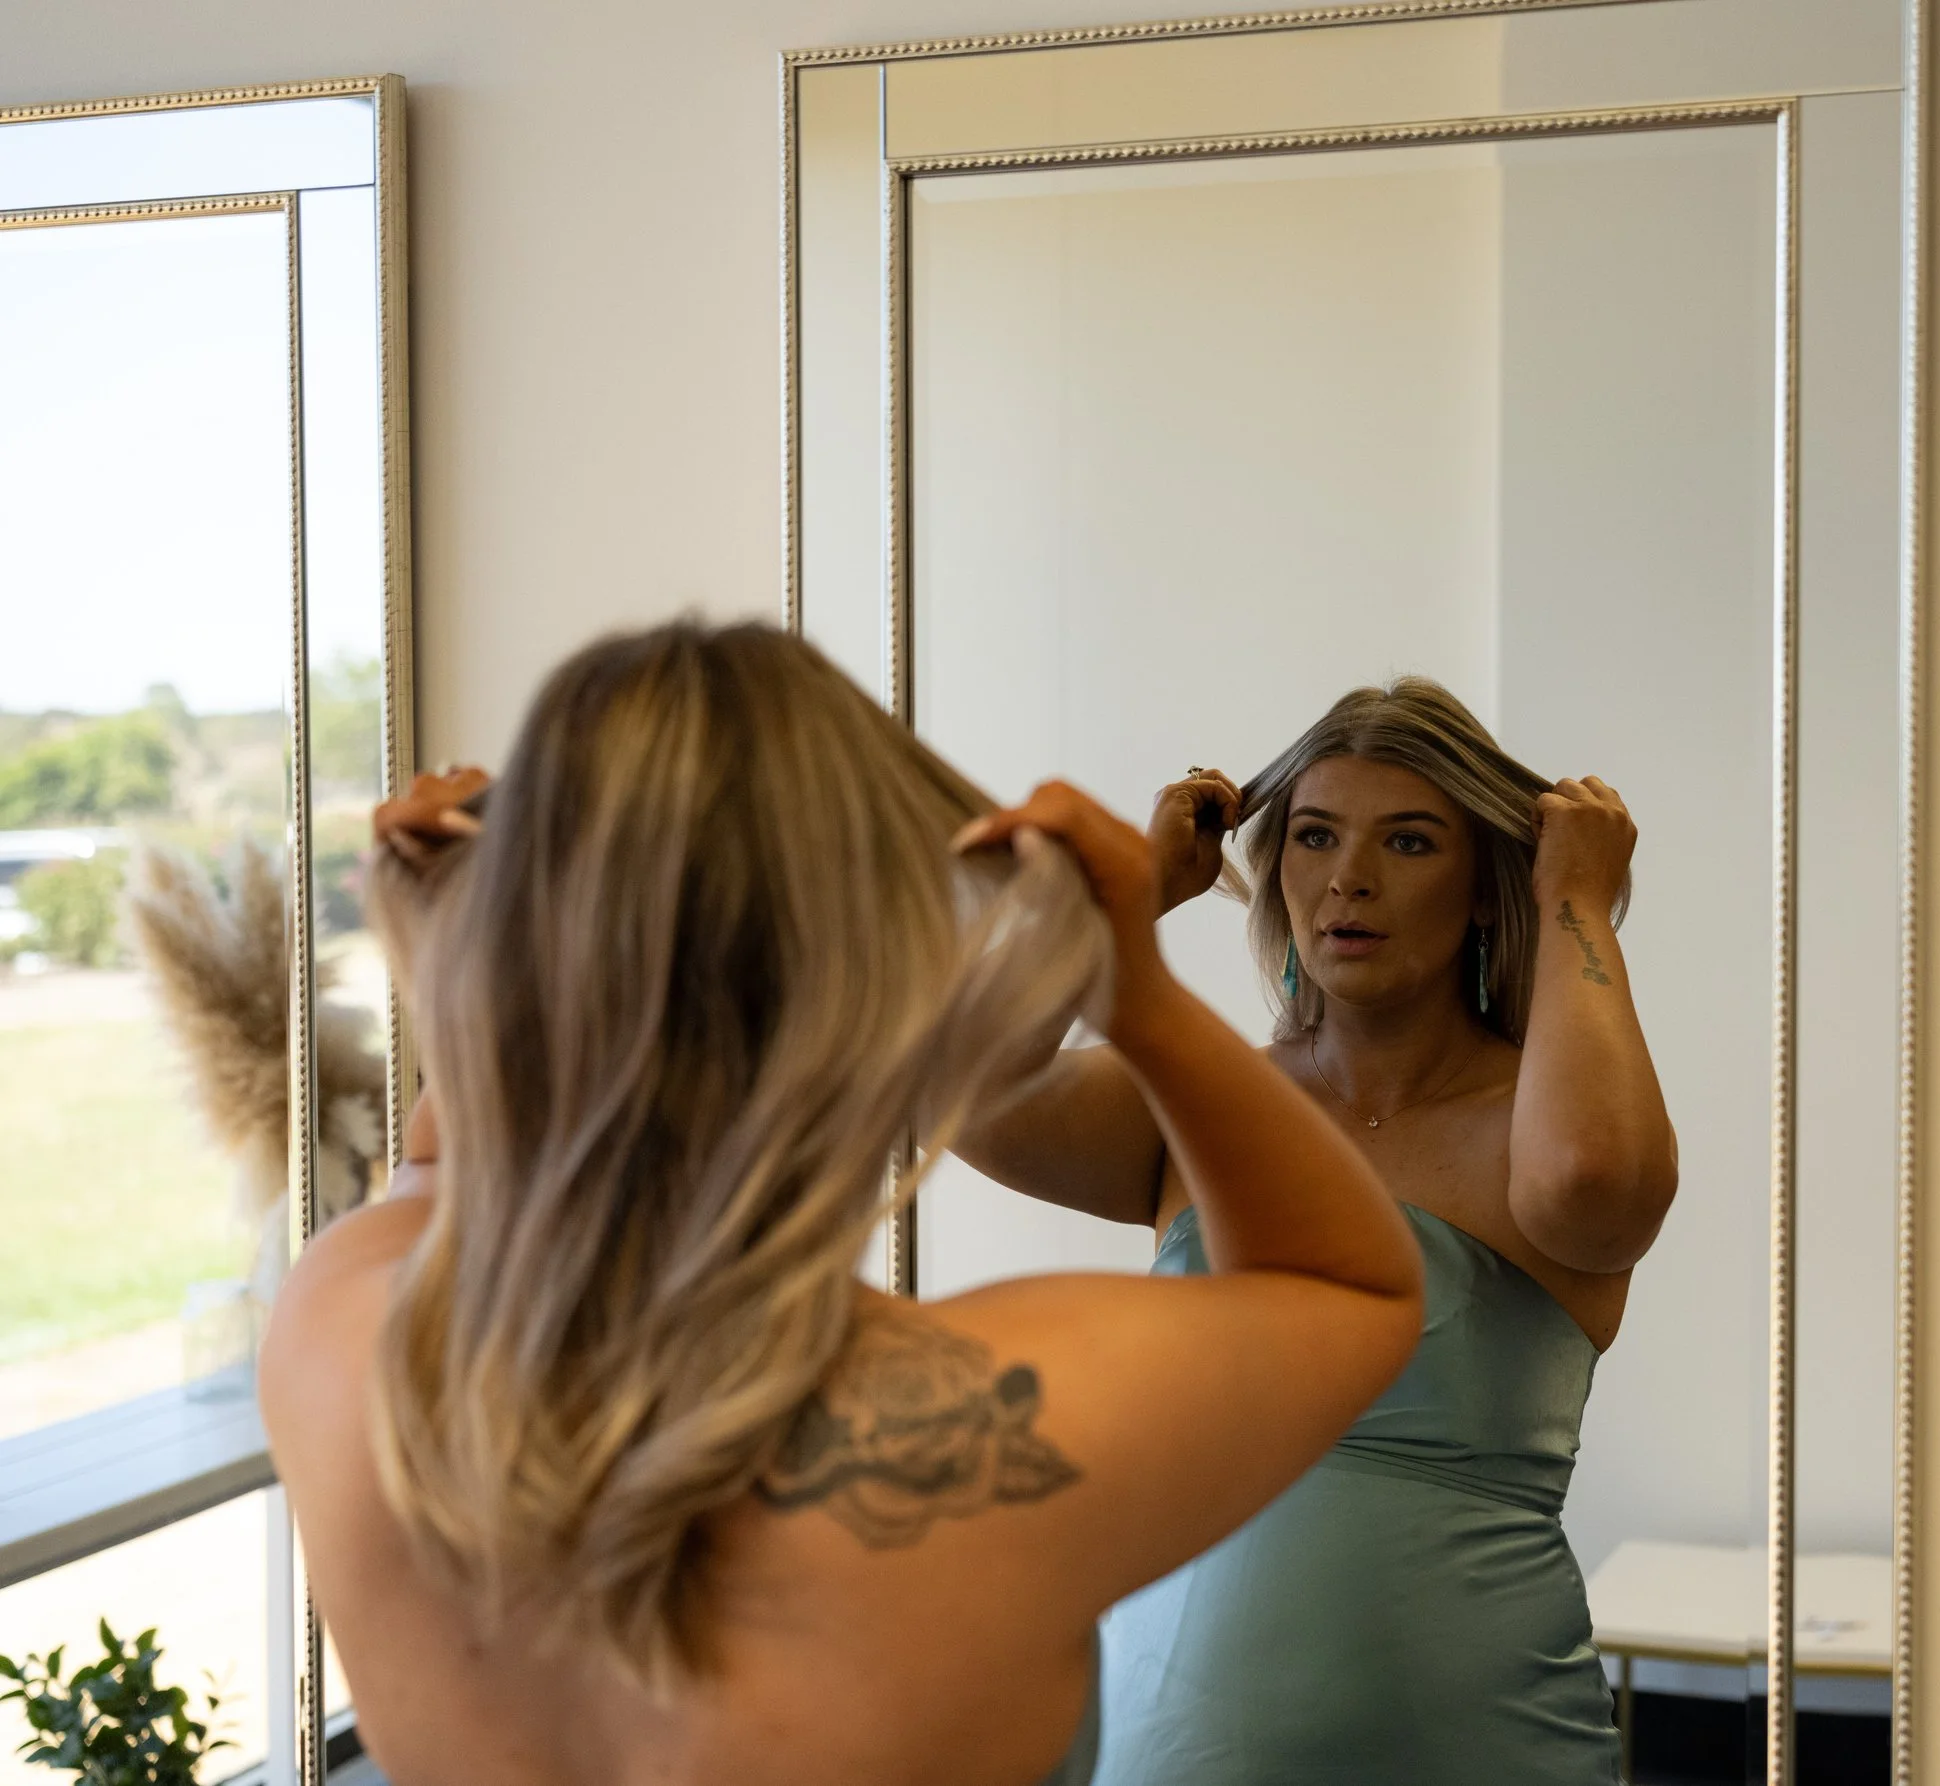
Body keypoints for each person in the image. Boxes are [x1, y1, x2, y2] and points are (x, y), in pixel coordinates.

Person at [256, 622, 1424, 1786]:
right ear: (873, 996)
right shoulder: (1004, 1427)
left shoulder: (341, 1340)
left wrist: (462, 937)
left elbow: (444, 1175)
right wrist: (1134, 987)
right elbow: (1343, 1281)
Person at [956, 677, 1679, 1785]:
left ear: (1489, 888)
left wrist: (1578, 901)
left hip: (1475, 1740)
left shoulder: (1544, 1128)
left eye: (1408, 840)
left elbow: (1601, 1183)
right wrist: (1131, 895)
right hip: (1163, 1738)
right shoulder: (1192, 1103)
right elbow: (959, 1091)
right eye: (1313, 836)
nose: (1349, 876)